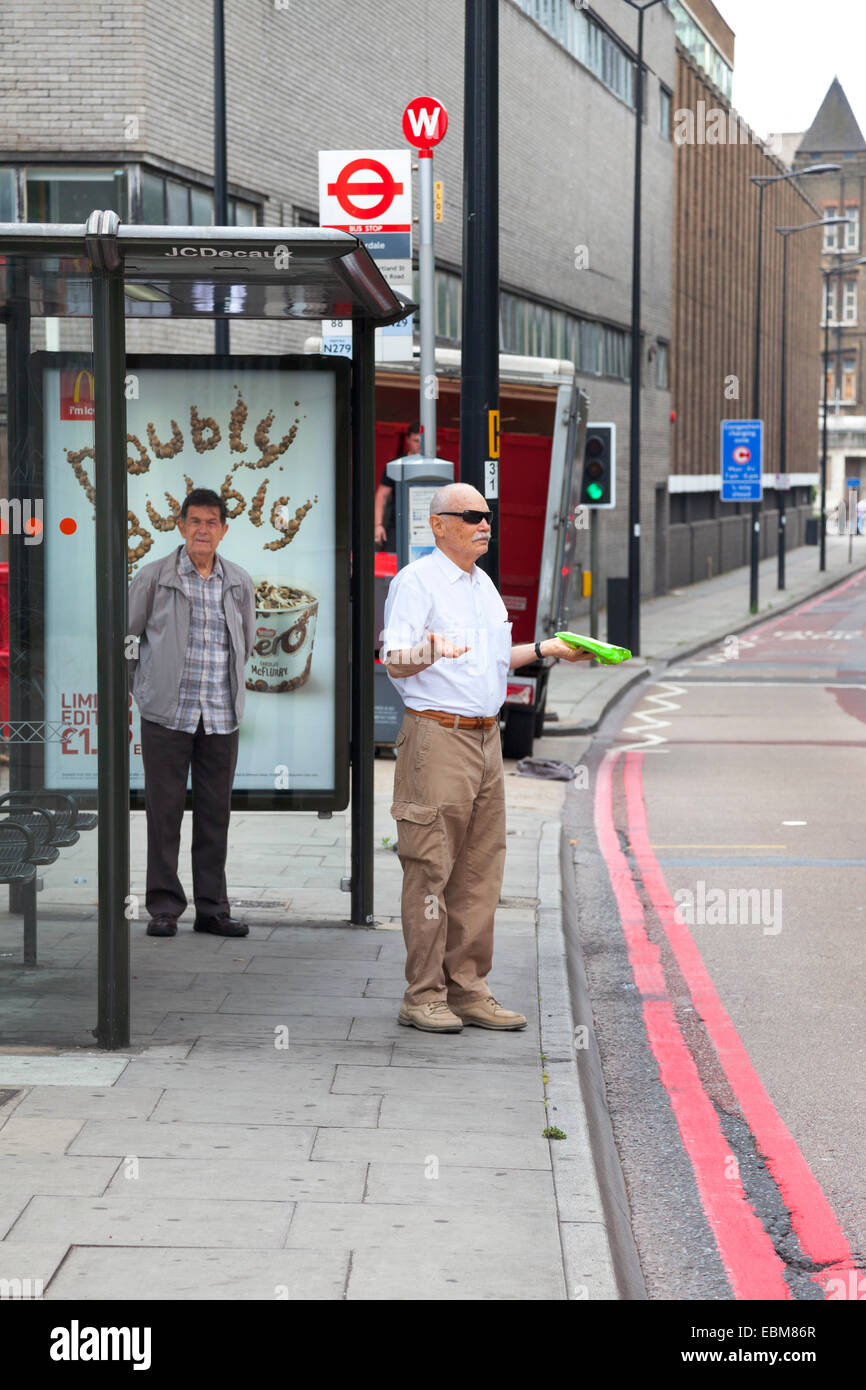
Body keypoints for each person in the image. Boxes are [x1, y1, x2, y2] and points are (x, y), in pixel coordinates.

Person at [381, 481, 593, 1033]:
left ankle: (468, 989)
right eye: (471, 515)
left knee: (479, 871)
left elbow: (497, 661)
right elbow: (393, 659)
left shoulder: (484, 587)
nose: (484, 524)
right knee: (430, 867)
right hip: (436, 736)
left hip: (486, 739)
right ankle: (422, 994)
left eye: (487, 515)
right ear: (438, 525)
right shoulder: (417, 582)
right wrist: (427, 650)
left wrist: (548, 650)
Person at [128, 487, 255, 939]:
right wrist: (141, 689)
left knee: (215, 814)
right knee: (164, 813)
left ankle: (212, 910)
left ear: (223, 530)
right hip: (167, 714)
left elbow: (247, 641)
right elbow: (127, 640)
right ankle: (163, 907)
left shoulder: (238, 581)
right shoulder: (154, 578)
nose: (203, 530)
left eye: (211, 522)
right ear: (179, 527)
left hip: (220, 715)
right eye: (194, 521)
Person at [375, 421, 422, 549]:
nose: (420, 445)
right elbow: (381, 495)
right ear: (408, 440)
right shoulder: (396, 465)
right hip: (397, 525)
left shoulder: (441, 466)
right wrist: (378, 525)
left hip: (427, 527)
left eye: (423, 441)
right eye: (416, 440)